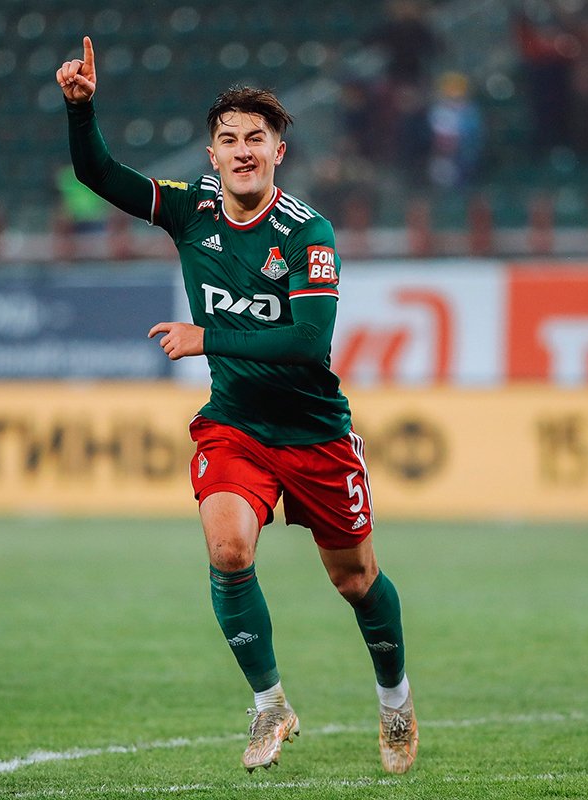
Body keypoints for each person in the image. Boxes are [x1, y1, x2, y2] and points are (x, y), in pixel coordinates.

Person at [57, 37, 417, 775]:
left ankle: (395, 700)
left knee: (355, 581)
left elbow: (308, 340)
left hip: (314, 432)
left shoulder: (308, 232)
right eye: (229, 139)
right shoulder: (191, 210)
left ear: (279, 151)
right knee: (227, 551)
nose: (242, 150)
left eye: (256, 138)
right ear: (213, 154)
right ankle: (270, 703)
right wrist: (81, 110)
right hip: (237, 426)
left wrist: (206, 336)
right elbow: (98, 174)